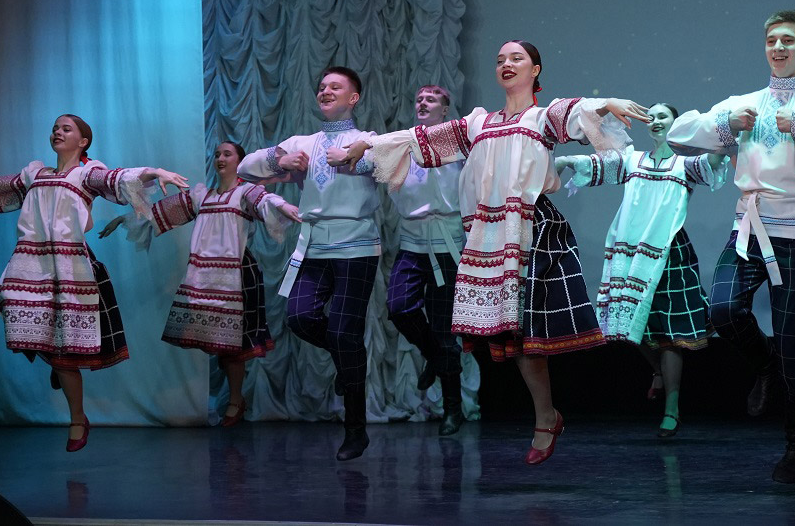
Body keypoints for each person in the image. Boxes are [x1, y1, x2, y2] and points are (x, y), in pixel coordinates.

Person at [338, 40, 648, 464]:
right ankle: (547, 414)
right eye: (500, 59)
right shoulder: (478, 124)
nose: (506, 64)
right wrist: (367, 146)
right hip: (488, 234)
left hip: (533, 227)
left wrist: (606, 103)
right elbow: (419, 139)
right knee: (509, 339)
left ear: (535, 70)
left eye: (516, 58)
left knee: (528, 333)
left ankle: (544, 418)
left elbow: (575, 112)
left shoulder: (541, 117)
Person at [667, 10, 795, 483]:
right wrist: (727, 124)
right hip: (750, 224)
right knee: (723, 310)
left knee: (794, 343)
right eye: (771, 41)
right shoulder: (744, 102)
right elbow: (680, 135)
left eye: (788, 40)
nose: (778, 48)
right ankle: (764, 364)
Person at [0, 114, 188, 452]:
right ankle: (54, 355)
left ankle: (77, 418)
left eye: (66, 128)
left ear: (83, 141)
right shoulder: (35, 174)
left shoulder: (86, 174)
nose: (57, 132)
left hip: (69, 263)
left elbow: (118, 178)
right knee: (14, 306)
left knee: (65, 357)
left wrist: (155, 172)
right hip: (31, 260)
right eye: (55, 128)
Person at [99, 141, 302, 426]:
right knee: (217, 341)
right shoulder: (202, 197)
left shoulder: (245, 192)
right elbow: (161, 212)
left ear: (239, 162)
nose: (220, 158)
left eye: (227, 154)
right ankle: (234, 399)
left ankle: (235, 400)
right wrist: (124, 219)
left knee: (234, 344)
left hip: (235, 273)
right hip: (203, 275)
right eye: (217, 154)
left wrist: (285, 206)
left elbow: (266, 201)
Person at [556, 102, 728, 438]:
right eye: (652, 116)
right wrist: (563, 162)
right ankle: (658, 373)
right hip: (630, 251)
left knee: (670, 336)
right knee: (623, 324)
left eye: (664, 116)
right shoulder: (633, 160)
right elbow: (599, 165)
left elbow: (713, 162)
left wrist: (722, 131)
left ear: (675, 124)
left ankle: (672, 408)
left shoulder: (684, 163)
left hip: (667, 251)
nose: (655, 120)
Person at [237, 66, 380, 461]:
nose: (325, 91)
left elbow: (384, 162)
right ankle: (345, 359)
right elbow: (245, 168)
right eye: (321, 87)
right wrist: (282, 160)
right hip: (314, 246)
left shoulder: (368, 139)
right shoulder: (302, 143)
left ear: (353, 98)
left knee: (345, 332)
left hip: (357, 245)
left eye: (335, 86)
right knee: (300, 318)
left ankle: (356, 429)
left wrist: (354, 156)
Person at [385, 85, 468, 436]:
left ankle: (453, 408)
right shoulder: (402, 143)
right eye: (419, 98)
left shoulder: (459, 141)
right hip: (412, 240)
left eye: (431, 99)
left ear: (445, 109)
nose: (422, 102)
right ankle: (434, 357)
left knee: (444, 327)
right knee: (398, 307)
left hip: (447, 243)